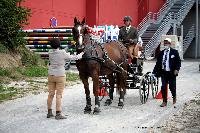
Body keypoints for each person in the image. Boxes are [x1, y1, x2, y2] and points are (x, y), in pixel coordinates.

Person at [47, 38, 84, 120]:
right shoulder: (62, 53)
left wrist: (69, 46)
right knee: (59, 95)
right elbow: (74, 57)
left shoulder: (50, 52)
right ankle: (58, 113)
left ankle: (49, 112)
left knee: (51, 94)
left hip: (51, 75)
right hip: (60, 75)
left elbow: (60, 51)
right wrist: (82, 53)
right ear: (59, 45)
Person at [153, 38, 181, 107]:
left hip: (171, 73)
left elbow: (178, 62)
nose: (166, 44)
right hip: (163, 72)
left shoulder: (174, 52)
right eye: (165, 43)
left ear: (170, 44)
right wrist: (154, 72)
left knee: (172, 87)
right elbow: (158, 63)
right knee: (163, 87)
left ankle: (174, 97)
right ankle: (164, 101)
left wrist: (177, 69)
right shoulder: (161, 53)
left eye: (167, 43)